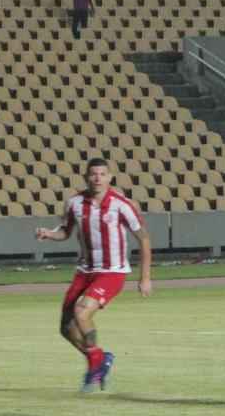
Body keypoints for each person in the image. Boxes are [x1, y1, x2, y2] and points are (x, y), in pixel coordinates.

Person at [35, 157, 152, 391]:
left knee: (81, 312)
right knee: (65, 328)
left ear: (109, 177)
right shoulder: (75, 203)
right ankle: (99, 360)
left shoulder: (122, 205)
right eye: (93, 174)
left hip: (112, 272)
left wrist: (145, 277)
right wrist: (49, 233)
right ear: (87, 177)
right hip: (85, 271)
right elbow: (66, 232)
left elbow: (144, 238)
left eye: (102, 174)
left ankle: (97, 362)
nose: (97, 178)